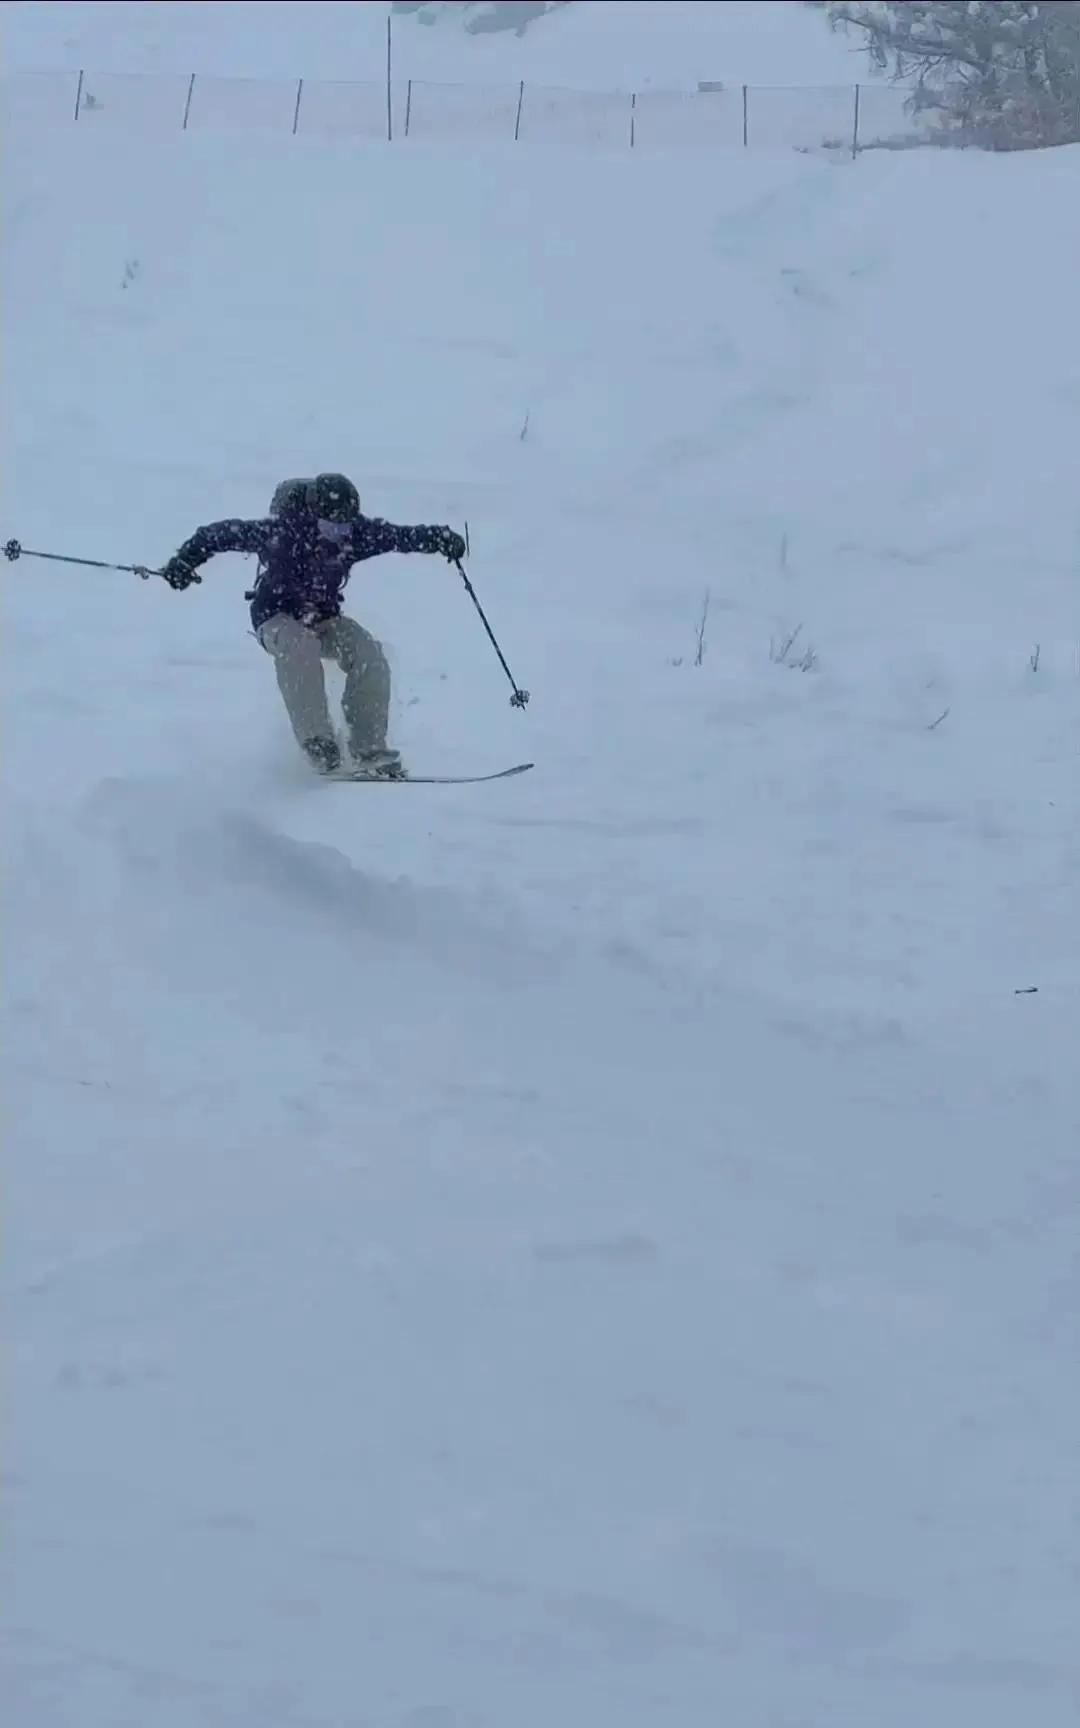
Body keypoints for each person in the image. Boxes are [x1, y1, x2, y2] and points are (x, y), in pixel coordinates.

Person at [160, 473, 466, 777]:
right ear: (313, 515)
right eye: (330, 525)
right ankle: (318, 742)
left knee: (368, 654)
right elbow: (218, 534)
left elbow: (400, 537)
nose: (338, 532)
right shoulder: (282, 533)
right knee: (299, 646)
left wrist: (439, 538)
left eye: (344, 525)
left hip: (323, 617)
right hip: (275, 618)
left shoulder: (354, 535)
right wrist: (184, 563)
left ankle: (369, 750)